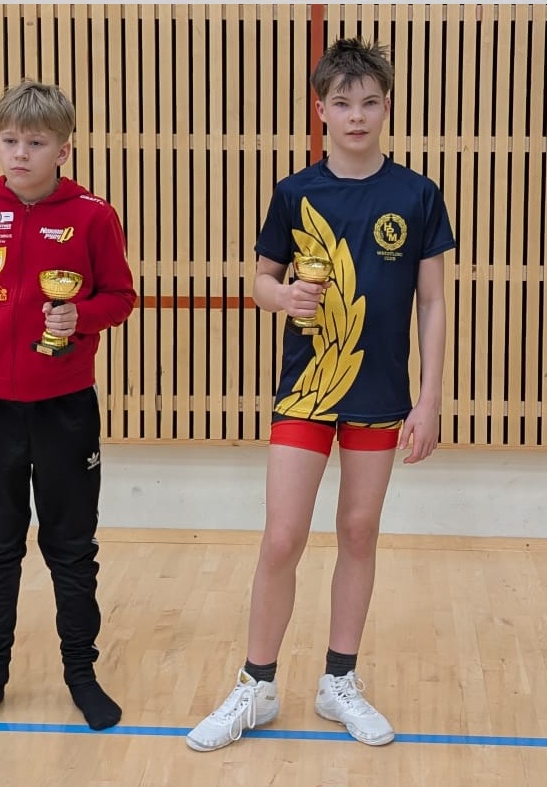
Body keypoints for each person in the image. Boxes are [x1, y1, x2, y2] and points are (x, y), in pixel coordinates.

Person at [186, 36, 455, 751]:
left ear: (386, 107)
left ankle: (339, 681)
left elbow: (432, 302)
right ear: (321, 110)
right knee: (282, 538)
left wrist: (428, 398)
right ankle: (256, 684)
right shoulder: (294, 192)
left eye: (369, 102)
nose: (356, 115)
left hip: (380, 393)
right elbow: (260, 280)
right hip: (305, 390)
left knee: (359, 531)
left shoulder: (417, 194)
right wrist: (283, 298)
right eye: (342, 102)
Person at [0, 80, 136, 735]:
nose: (20, 153)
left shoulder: (93, 216)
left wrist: (82, 316)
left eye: (36, 142)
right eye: (10, 140)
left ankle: (81, 675)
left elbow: (120, 297)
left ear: (63, 150)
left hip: (65, 410)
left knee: (71, 550)